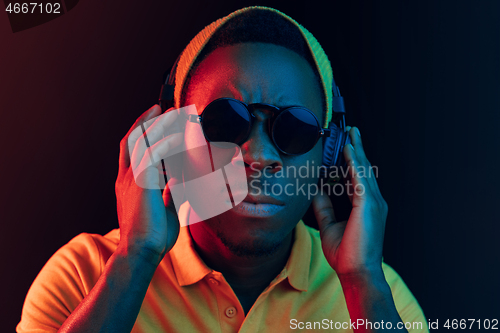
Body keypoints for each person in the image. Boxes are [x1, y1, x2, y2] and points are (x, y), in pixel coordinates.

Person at [17, 6, 428, 333]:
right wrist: (134, 258)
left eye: (296, 129)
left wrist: (360, 283)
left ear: (329, 151)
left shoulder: (380, 294)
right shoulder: (83, 273)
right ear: (171, 138)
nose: (260, 157)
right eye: (225, 124)